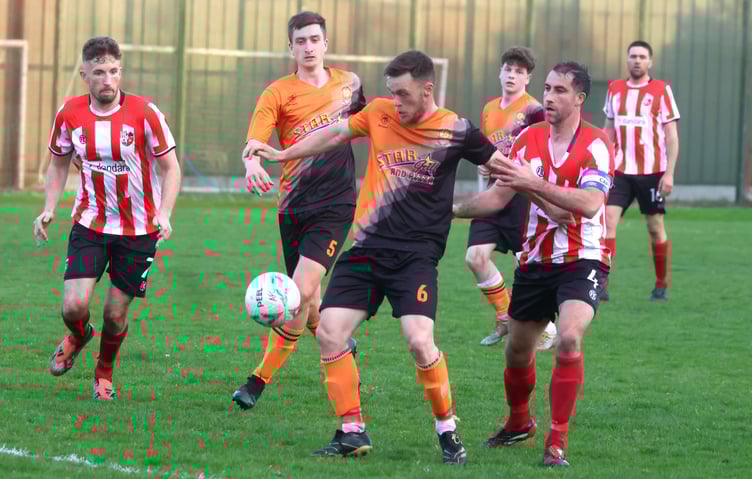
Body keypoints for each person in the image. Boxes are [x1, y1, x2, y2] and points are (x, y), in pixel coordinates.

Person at [249, 50, 547, 465]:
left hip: (415, 259)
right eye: (392, 92)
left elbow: (507, 174)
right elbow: (334, 134)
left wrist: (471, 206)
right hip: (366, 251)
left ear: (427, 89)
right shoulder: (378, 113)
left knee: (419, 341)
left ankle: (448, 431)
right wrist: (284, 154)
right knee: (331, 332)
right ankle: (351, 430)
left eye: (403, 94)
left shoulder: (456, 129)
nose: (397, 102)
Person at [453, 62, 614, 467]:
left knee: (570, 338)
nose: (549, 96)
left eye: (560, 90)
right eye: (546, 88)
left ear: (579, 99)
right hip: (536, 261)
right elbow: (496, 198)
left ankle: (555, 441)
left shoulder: (596, 143)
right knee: (517, 351)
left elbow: (591, 204)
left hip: (583, 259)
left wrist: (534, 184)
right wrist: (446, 210)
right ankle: (519, 422)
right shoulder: (528, 139)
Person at [34, 36, 180, 400]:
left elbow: (171, 168)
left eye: (113, 71)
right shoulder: (69, 113)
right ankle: (80, 334)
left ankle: (104, 373)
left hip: (139, 229)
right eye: (99, 72)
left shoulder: (146, 113)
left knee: (115, 313)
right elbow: (58, 161)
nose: (107, 80)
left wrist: (164, 213)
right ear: (84, 73)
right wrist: (49, 207)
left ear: (121, 72)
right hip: (90, 223)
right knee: (73, 306)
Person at [232, 11, 365, 410]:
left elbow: (375, 122)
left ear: (326, 43)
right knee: (309, 300)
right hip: (292, 206)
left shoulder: (350, 85)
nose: (308, 47)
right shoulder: (277, 93)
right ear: (289, 47)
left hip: (336, 204)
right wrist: (252, 162)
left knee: (298, 291)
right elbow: (255, 139)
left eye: (314, 39)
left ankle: (257, 380)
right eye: (300, 41)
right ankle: (337, 340)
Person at [466, 46, 557, 349]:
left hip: (521, 197)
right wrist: (484, 161)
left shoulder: (534, 110)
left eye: (519, 71)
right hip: (493, 192)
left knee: (529, 265)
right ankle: (505, 315)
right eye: (508, 69)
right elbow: (489, 149)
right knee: (475, 257)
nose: (512, 75)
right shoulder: (490, 108)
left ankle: (548, 325)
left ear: (528, 78)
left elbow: (544, 149)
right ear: (500, 72)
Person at [602, 40, 680, 301]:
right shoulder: (614, 89)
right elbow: (609, 127)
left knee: (655, 227)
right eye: (633, 56)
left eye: (642, 56)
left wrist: (669, 173)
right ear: (627, 59)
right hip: (620, 171)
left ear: (650, 61)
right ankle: (601, 284)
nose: (637, 60)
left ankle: (661, 284)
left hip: (653, 172)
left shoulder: (662, 90)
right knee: (607, 222)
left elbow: (671, 136)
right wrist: (603, 160)